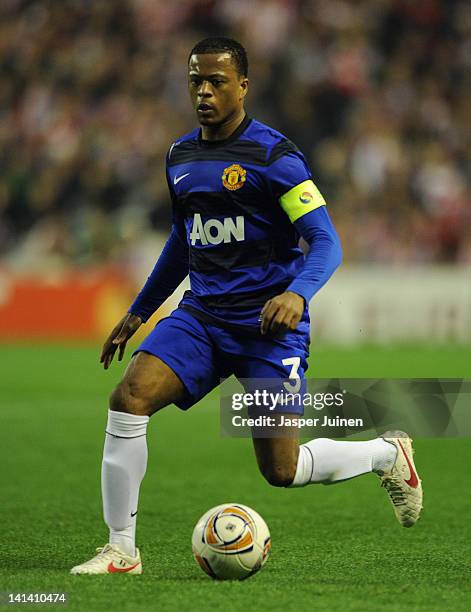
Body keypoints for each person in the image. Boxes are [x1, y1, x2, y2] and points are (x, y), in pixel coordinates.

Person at [71, 37, 422, 575]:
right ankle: (122, 550)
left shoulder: (275, 157)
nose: (205, 92)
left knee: (281, 470)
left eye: (216, 81)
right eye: (196, 81)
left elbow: (326, 241)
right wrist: (142, 309)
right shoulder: (180, 156)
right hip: (203, 319)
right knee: (129, 397)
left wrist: (296, 293)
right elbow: (183, 239)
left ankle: (385, 454)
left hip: (267, 328)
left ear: (243, 86)